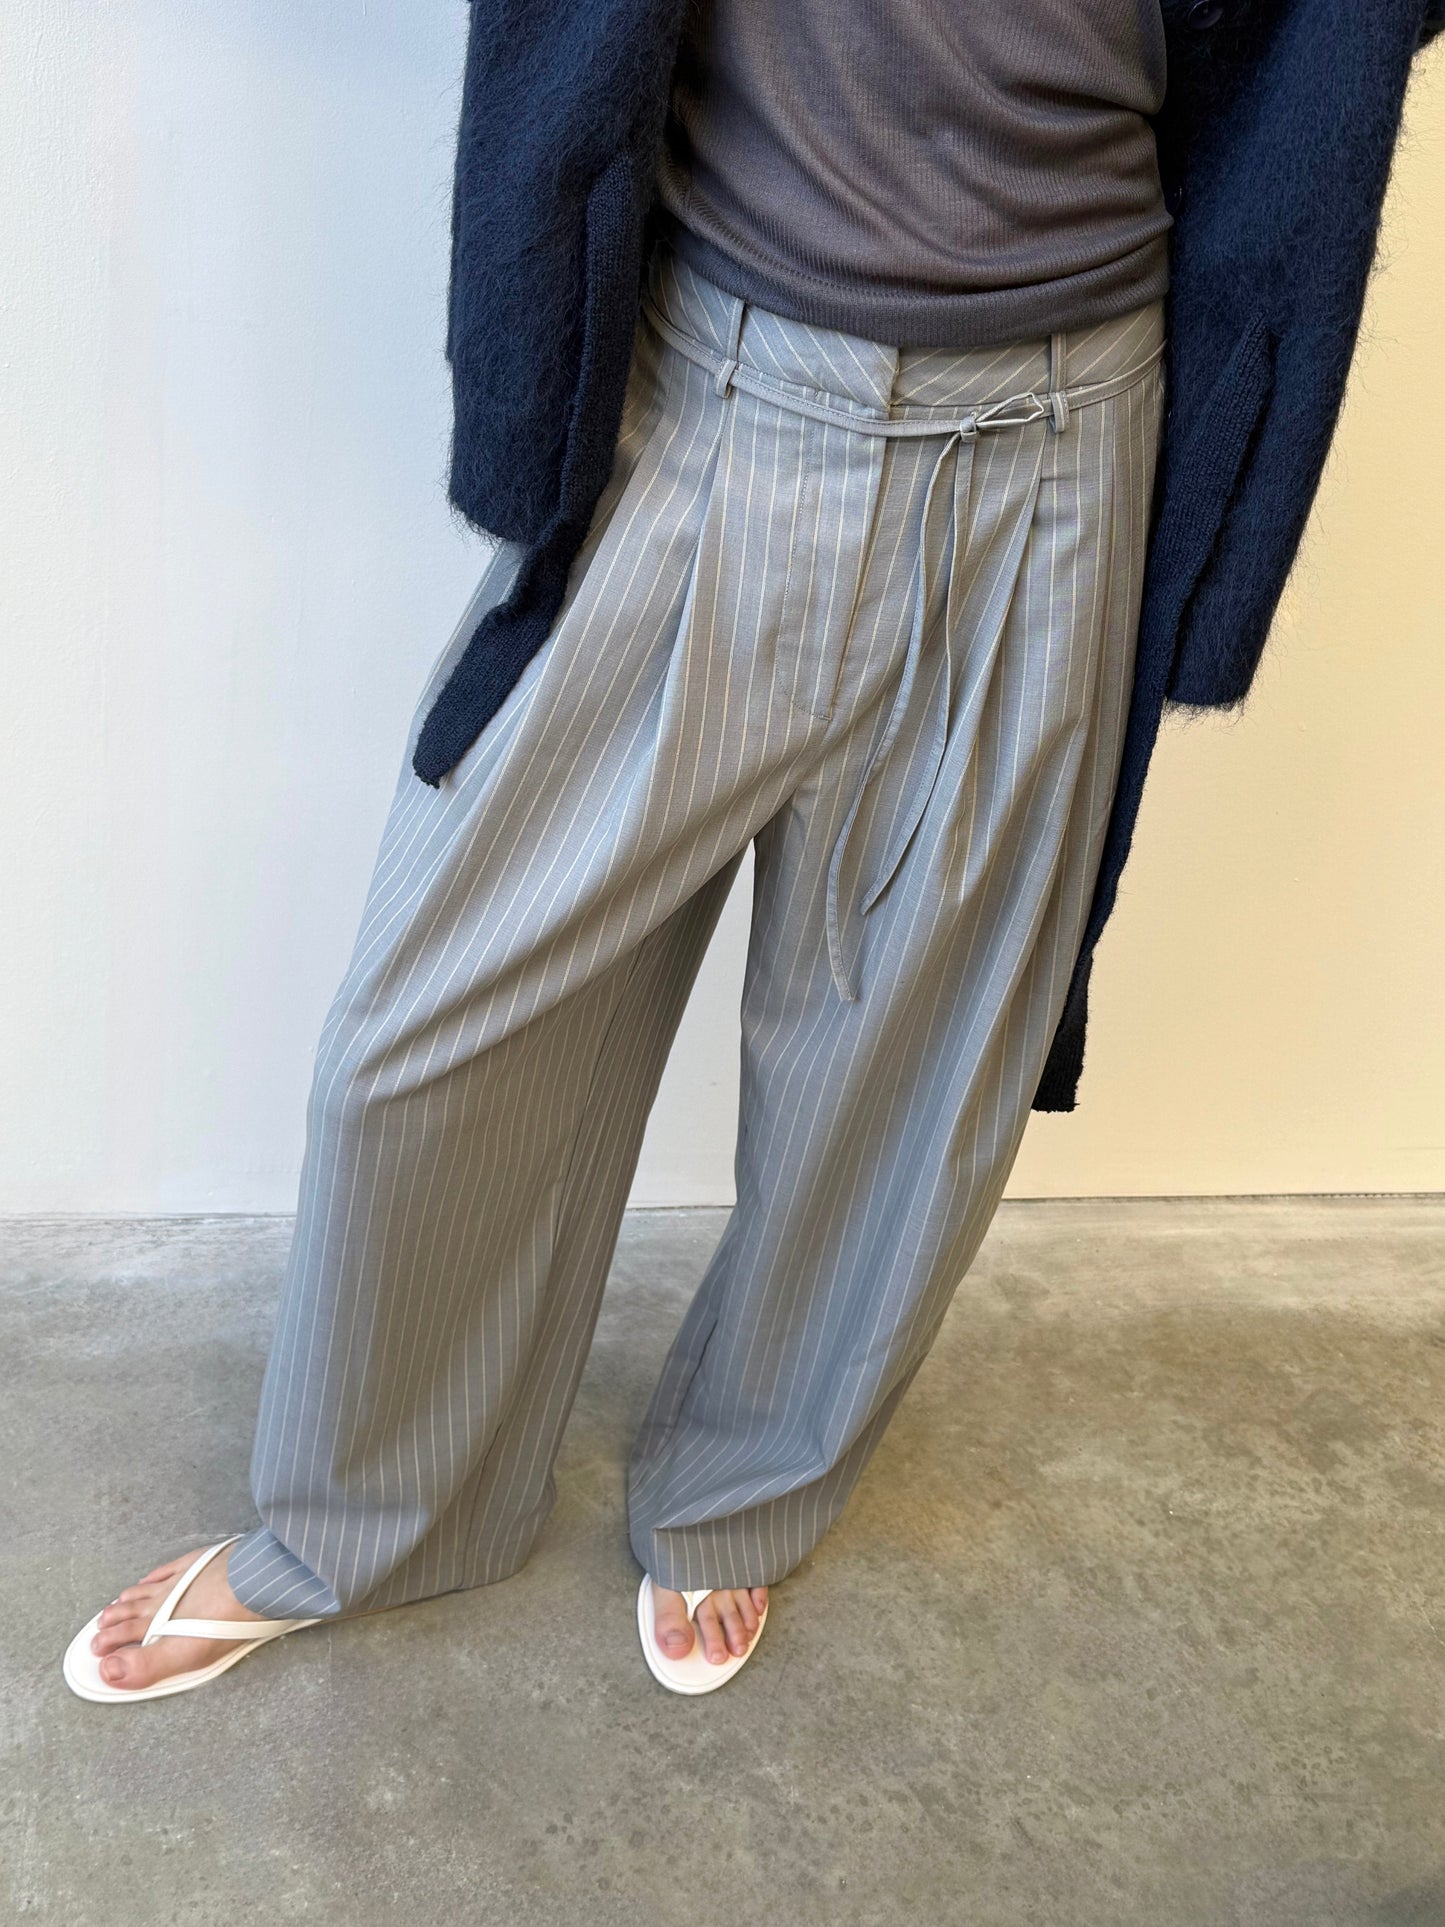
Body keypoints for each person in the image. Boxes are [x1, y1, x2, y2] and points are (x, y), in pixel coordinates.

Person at [63, 0, 1441, 1702]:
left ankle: (736, 1499)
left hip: (1065, 433)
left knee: (909, 1057)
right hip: (706, 393)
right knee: (430, 1029)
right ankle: (367, 1513)